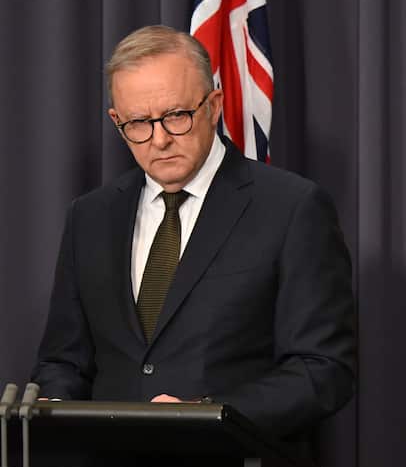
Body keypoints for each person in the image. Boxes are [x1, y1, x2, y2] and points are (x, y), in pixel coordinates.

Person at [33, 26, 356, 439]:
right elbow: (63, 361)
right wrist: (51, 411)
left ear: (214, 105)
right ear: (117, 121)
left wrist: (211, 415)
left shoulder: (291, 208)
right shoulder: (90, 216)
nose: (160, 139)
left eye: (176, 116)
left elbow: (324, 368)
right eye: (138, 123)